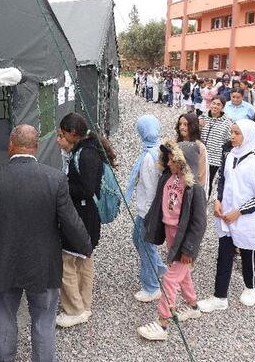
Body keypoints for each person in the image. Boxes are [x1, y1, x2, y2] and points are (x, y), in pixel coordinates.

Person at [0, 125, 91, 362]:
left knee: (5, 317)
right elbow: (71, 221)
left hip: (4, 263)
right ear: (35, 148)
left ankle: (4, 360)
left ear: (10, 146)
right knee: (43, 321)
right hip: (43, 266)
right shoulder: (55, 179)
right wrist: (85, 247)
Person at [198, 120, 255, 313]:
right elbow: (223, 179)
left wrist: (239, 211)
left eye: (237, 133)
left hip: (248, 217)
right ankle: (219, 296)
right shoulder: (230, 155)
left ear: (248, 136)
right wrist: (217, 200)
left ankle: (251, 286)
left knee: (248, 253)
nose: (232, 136)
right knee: (224, 255)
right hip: (226, 215)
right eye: (232, 132)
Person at [137, 141, 207, 341]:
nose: (168, 163)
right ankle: (193, 306)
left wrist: (189, 249)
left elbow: (199, 223)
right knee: (182, 273)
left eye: (171, 159)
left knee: (170, 278)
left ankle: (163, 323)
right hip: (170, 233)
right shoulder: (168, 178)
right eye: (167, 159)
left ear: (183, 162)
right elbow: (159, 203)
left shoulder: (195, 189)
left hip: (184, 239)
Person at [55, 112, 117, 327]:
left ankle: (74, 309)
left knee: (66, 261)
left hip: (82, 216)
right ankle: (83, 305)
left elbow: (86, 189)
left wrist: (61, 184)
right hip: (87, 217)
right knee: (83, 258)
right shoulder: (84, 149)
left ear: (73, 133)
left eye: (61, 135)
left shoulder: (86, 154)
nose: (58, 139)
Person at [125, 115, 167, 303]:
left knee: (145, 245)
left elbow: (151, 187)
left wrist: (149, 213)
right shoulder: (156, 150)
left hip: (148, 210)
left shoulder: (150, 157)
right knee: (138, 239)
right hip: (149, 209)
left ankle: (151, 287)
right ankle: (159, 268)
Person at [200, 96, 233, 200]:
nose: (215, 106)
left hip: (214, 159)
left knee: (207, 181)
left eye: (218, 104)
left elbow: (229, 141)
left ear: (222, 107)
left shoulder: (227, 123)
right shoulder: (202, 118)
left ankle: (204, 201)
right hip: (200, 156)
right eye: (213, 103)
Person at [176, 112, 208, 194]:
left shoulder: (199, 146)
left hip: (192, 190)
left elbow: (203, 174)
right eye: (180, 124)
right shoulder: (176, 144)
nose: (181, 127)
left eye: (185, 124)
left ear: (192, 126)